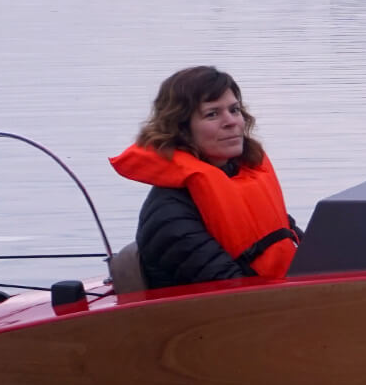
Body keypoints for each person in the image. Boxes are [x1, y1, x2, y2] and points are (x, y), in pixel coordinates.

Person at [110, 66, 299, 290]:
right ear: (181, 129)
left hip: (273, 308)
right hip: (214, 319)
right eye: (212, 114)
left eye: (234, 110)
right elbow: (235, 294)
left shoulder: (244, 183)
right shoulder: (169, 216)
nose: (231, 122)